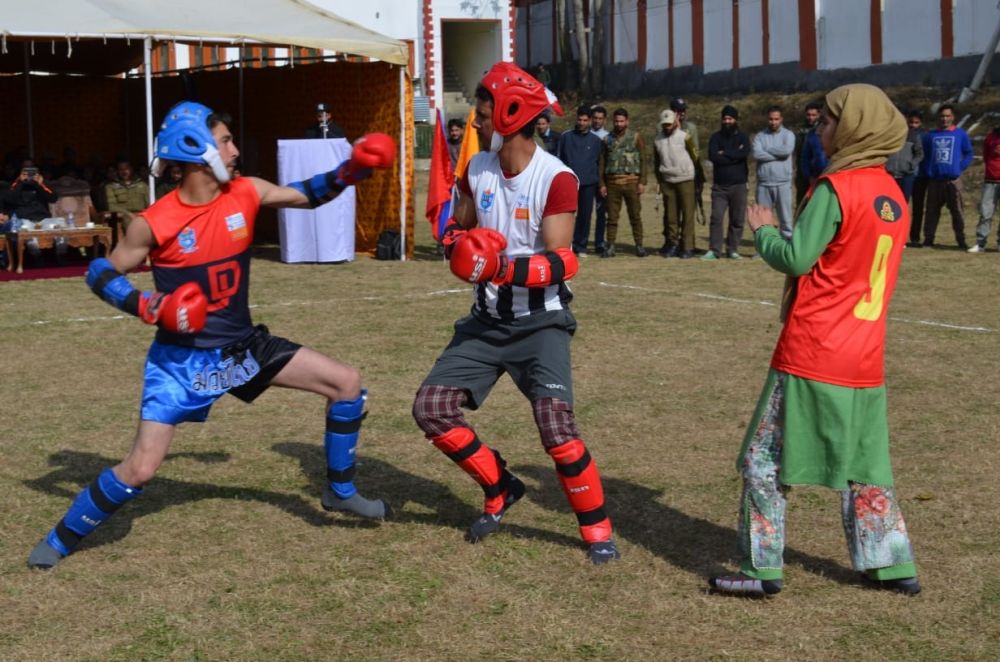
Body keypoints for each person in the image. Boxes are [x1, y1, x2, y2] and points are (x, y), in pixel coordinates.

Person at [27, 101, 396, 570]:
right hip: (180, 363)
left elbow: (304, 194)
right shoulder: (155, 221)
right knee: (140, 468)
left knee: (346, 383)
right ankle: (60, 540)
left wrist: (352, 170)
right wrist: (146, 305)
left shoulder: (245, 191)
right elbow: (100, 272)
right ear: (195, 149)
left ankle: (339, 492)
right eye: (225, 141)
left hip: (244, 348)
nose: (235, 150)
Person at [709, 84, 921, 597]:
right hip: (864, 354)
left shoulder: (836, 188)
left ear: (854, 128)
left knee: (763, 461)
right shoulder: (894, 195)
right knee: (866, 465)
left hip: (814, 348)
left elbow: (798, 258)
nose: (820, 130)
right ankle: (891, 565)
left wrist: (764, 231)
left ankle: (761, 569)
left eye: (827, 121)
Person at [411, 62, 620, 565]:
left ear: (509, 115)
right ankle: (500, 486)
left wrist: (500, 267)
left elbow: (562, 262)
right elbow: (456, 229)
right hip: (485, 321)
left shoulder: (557, 178)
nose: (476, 122)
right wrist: (457, 246)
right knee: (431, 409)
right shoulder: (476, 168)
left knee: (557, 432)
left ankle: (598, 531)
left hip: (541, 324)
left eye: (483, 114)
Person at [921, 104, 973, 249]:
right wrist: (928, 170)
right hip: (935, 181)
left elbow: (969, 153)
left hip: (953, 181)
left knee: (957, 211)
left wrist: (960, 167)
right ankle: (928, 239)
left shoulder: (960, 134)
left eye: (947, 116)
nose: (944, 119)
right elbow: (924, 155)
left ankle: (961, 240)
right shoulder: (930, 136)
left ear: (953, 117)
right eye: (942, 116)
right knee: (931, 212)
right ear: (938, 117)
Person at [653, 109, 702, 259]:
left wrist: (696, 176)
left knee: (687, 215)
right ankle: (672, 244)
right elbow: (656, 162)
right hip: (668, 181)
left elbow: (695, 156)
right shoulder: (657, 140)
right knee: (671, 216)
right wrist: (659, 180)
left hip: (685, 179)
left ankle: (687, 246)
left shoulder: (685, 137)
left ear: (675, 122)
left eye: (669, 124)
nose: (667, 127)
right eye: (664, 125)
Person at [599, 108, 647, 257]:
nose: (619, 124)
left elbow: (643, 160)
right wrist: (602, 184)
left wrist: (642, 181)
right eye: (616, 121)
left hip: (632, 182)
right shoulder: (606, 139)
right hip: (612, 183)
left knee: (635, 216)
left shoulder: (636, 137)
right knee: (612, 217)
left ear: (627, 121)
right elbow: (602, 163)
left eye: (621, 121)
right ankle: (611, 245)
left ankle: (639, 245)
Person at [557, 105, 604, 256]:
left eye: (585, 120)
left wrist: (600, 183)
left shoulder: (596, 141)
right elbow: (559, 159)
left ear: (589, 121)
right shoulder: (566, 137)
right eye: (580, 120)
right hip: (569, 182)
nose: (582, 123)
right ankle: (563, 244)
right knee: (565, 214)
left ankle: (581, 246)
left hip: (588, 183)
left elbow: (599, 162)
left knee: (585, 215)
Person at [705, 105, 750, 260]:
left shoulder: (743, 137)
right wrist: (733, 155)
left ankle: (732, 249)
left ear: (735, 120)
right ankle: (714, 250)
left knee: (737, 219)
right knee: (716, 218)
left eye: (730, 118)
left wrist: (725, 153)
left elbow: (743, 153)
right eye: (724, 118)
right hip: (720, 186)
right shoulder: (715, 138)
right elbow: (713, 156)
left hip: (739, 185)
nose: (727, 121)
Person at [752, 105, 796, 239]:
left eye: (776, 119)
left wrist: (767, 149)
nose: (773, 122)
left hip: (783, 183)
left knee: (786, 219)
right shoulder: (760, 136)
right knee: (764, 220)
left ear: (781, 119)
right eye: (771, 119)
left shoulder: (788, 135)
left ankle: (787, 243)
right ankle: (765, 245)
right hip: (764, 184)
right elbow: (757, 154)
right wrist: (778, 154)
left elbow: (786, 151)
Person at [969, 124, 1000, 252]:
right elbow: (986, 157)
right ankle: (980, 243)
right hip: (990, 181)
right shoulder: (990, 138)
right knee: (985, 213)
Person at [885, 112, 925, 203]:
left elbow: (919, 154)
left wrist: (912, 164)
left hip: (906, 176)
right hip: (890, 175)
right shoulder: (888, 135)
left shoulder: (913, 136)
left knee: (903, 201)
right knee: (888, 202)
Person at [906, 111, 930, 246]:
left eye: (916, 123)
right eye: (911, 122)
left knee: (918, 207)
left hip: (920, 176)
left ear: (921, 123)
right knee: (902, 206)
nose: (913, 125)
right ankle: (901, 235)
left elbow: (927, 155)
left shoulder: (925, 137)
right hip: (905, 175)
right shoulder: (903, 135)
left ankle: (915, 237)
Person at [104, 159, 150, 228]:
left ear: (131, 169)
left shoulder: (143, 185)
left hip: (142, 215)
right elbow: (111, 206)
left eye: (126, 169)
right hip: (123, 216)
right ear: (117, 171)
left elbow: (150, 203)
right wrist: (128, 214)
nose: (124, 172)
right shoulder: (111, 186)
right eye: (121, 169)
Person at [793, 102, 823, 207]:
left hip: (818, 172)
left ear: (819, 114)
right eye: (808, 115)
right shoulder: (799, 130)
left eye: (814, 115)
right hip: (802, 172)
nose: (811, 118)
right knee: (802, 203)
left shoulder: (823, 129)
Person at [590, 105, 610, 254]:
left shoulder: (608, 137)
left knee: (601, 213)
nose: (597, 121)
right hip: (587, 178)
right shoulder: (585, 134)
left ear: (604, 120)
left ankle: (599, 242)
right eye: (595, 118)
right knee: (583, 213)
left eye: (600, 118)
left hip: (602, 180)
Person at [798, 111, 828, 194]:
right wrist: (809, 176)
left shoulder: (837, 133)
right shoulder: (812, 134)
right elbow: (805, 157)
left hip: (833, 175)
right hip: (815, 177)